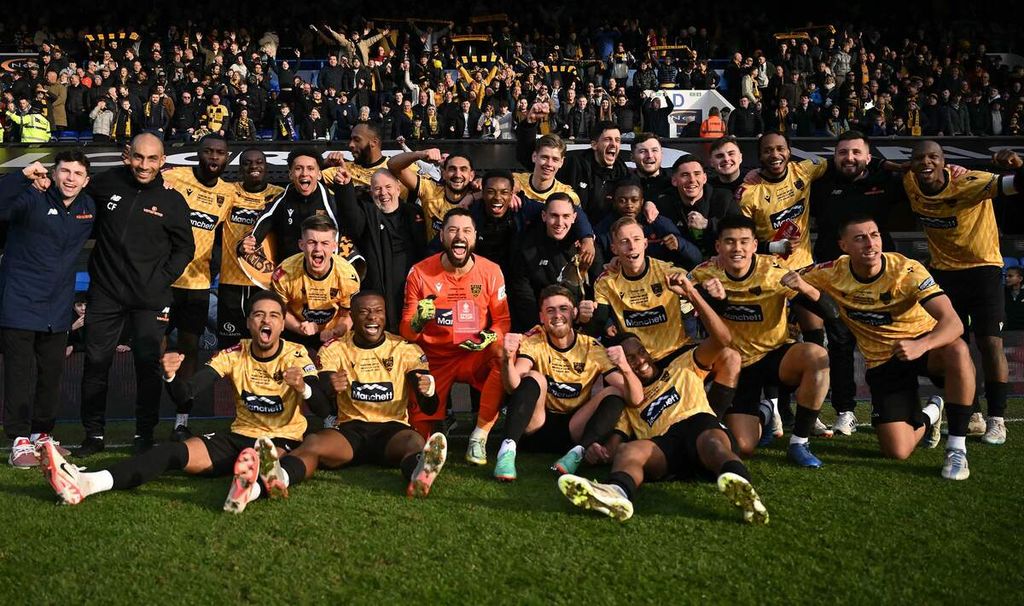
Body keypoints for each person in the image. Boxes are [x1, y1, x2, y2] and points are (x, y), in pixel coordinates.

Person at [38, 291, 330, 509]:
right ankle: (87, 483)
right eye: (258, 315)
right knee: (171, 452)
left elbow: (322, 407)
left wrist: (303, 387)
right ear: (249, 323)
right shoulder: (233, 354)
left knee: (270, 454)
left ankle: (257, 481)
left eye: (274, 316)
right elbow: (186, 393)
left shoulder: (297, 355)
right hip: (238, 437)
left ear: (281, 325)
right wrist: (170, 376)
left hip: (281, 439)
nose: (266, 320)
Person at [557, 276, 768, 525]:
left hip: (698, 425)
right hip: (665, 445)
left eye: (641, 353)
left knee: (712, 442)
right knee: (631, 450)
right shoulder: (631, 400)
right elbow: (617, 442)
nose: (640, 361)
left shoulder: (683, 364)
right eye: (630, 359)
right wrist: (600, 451)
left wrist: (691, 292)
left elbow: (723, 340)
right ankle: (616, 493)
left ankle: (742, 489)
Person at [801, 216, 978, 480]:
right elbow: (788, 279)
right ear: (844, 245)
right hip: (882, 360)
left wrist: (922, 345)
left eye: (875, 235)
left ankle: (956, 449)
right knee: (897, 450)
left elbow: (953, 323)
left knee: (958, 350)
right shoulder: (830, 272)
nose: (870, 243)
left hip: (923, 345)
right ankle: (931, 413)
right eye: (859, 238)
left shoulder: (907, 270)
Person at [237, 291, 449, 509]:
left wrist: (429, 391)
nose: (372, 317)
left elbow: (429, 407)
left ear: (385, 315)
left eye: (378, 311)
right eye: (364, 312)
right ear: (352, 318)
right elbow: (322, 400)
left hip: (392, 431)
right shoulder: (334, 348)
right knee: (313, 443)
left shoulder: (406, 349)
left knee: (414, 442)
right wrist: (330, 386)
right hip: (350, 432)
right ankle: (274, 480)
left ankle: (420, 473)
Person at [77, 133, 195, 456]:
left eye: (151, 159)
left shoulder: (173, 200)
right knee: (96, 362)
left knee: (147, 366)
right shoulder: (106, 183)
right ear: (128, 156)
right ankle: (94, 435)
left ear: (162, 161)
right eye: (139, 157)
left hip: (150, 299)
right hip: (105, 293)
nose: (144, 165)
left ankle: (144, 434)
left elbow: (186, 248)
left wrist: (160, 281)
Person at [899, 142, 1022, 446]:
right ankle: (974, 415)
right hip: (943, 273)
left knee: (990, 342)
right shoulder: (909, 181)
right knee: (954, 346)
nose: (926, 163)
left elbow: (1016, 184)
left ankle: (997, 419)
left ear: (944, 162)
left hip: (983, 269)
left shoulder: (970, 182)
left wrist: (1017, 165)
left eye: (933, 157)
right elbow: (881, 168)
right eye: (919, 158)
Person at [689, 215, 835, 467]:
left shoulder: (773, 272)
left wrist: (804, 286)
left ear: (755, 245)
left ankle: (799, 442)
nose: (737, 248)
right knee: (742, 446)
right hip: (734, 366)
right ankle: (766, 413)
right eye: (730, 242)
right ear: (718, 246)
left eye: (744, 242)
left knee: (817, 356)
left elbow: (831, 313)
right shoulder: (704, 274)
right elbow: (679, 306)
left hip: (775, 359)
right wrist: (709, 297)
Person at [807, 131, 909, 435]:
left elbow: (916, 175)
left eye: (855, 152)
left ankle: (885, 408)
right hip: (833, 278)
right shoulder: (822, 183)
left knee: (884, 345)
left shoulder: (886, 181)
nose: (848, 158)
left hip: (881, 277)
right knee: (839, 345)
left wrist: (884, 164)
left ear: (868, 156)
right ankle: (845, 410)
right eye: (842, 153)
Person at [590, 216, 741, 414]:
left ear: (645, 243)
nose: (631, 246)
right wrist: (587, 317)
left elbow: (706, 299)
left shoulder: (668, 272)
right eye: (624, 242)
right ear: (614, 249)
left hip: (676, 353)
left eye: (636, 239)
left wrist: (719, 297)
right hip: (640, 362)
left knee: (730, 357)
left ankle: (713, 419)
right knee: (605, 388)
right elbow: (598, 322)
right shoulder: (605, 282)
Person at [0, 154, 94, 467]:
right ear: (53, 174)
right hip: (20, 302)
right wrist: (21, 177)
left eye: (77, 173)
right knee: (20, 374)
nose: (70, 178)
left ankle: (42, 435)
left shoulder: (88, 209)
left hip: (58, 306)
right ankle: (18, 440)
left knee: (51, 374)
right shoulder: (30, 197)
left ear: (86, 180)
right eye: (64, 171)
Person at [493, 285, 640, 481]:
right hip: (536, 427)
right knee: (533, 377)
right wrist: (506, 359)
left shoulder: (592, 347)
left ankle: (577, 455)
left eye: (563, 309)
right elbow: (513, 386)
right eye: (550, 310)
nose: (557, 315)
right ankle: (506, 451)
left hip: (574, 432)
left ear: (574, 313)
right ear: (542, 317)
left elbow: (636, 398)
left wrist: (625, 367)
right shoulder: (534, 340)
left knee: (615, 391)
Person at [400, 208, 510, 463]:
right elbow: (406, 331)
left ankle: (479, 437)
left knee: (502, 352)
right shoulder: (419, 272)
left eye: (466, 231)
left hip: (473, 355)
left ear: (475, 238)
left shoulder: (491, 271)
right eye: (452, 230)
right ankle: (435, 427)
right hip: (434, 358)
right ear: (442, 237)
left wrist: (489, 337)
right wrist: (418, 321)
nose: (459, 236)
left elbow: (503, 321)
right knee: (421, 439)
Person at [161, 134, 234, 440]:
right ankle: (149, 414)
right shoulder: (174, 177)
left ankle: (181, 419)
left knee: (189, 349)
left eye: (219, 153)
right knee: (154, 348)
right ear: (198, 155)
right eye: (208, 152)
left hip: (198, 283)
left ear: (226, 158)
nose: (214, 157)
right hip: (162, 280)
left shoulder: (229, 193)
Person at [244, 148, 364, 277]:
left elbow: (355, 229)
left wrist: (345, 188)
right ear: (290, 174)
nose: (304, 173)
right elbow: (261, 224)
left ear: (319, 174)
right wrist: (247, 243)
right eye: (298, 168)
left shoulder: (331, 200)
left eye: (310, 168)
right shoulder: (281, 200)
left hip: (326, 274)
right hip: (291, 275)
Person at [335, 168, 428, 332]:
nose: (383, 193)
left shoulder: (413, 213)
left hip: (411, 293)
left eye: (388, 187)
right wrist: (345, 187)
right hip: (379, 296)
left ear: (398, 189)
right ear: (371, 192)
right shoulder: (367, 213)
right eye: (377, 188)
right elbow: (351, 219)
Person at [517, 103, 628, 223]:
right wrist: (530, 123)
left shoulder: (624, 174)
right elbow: (532, 161)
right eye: (607, 139)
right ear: (594, 144)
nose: (613, 144)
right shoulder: (575, 164)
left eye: (617, 140)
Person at [218, 149, 284, 348]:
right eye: (247, 163)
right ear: (239, 169)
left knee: (266, 343)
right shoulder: (228, 191)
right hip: (231, 281)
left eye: (259, 162)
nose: (253, 166)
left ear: (266, 166)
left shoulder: (279, 195)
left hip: (266, 281)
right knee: (229, 346)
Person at [271, 215, 360, 350]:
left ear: (334, 246)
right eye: (312, 242)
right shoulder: (285, 273)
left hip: (335, 336)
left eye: (325, 243)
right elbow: (278, 311)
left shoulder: (348, 276)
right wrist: (298, 327)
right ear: (301, 244)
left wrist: (336, 331)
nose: (318, 249)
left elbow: (348, 314)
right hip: (295, 333)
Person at [595, 177, 698, 268]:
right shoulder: (603, 229)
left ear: (642, 202)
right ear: (614, 202)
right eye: (622, 201)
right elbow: (597, 267)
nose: (629, 205)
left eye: (634, 200)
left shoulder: (658, 223)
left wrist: (680, 245)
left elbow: (696, 259)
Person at [654, 157, 740, 259]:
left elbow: (740, 230)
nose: (692, 180)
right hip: (681, 268)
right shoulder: (665, 204)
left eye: (697, 174)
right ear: (674, 181)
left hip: (721, 264)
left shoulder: (724, 198)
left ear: (704, 178)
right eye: (685, 175)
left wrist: (708, 224)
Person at [388, 148, 475, 241]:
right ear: (444, 173)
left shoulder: (479, 198)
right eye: (452, 169)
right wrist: (420, 154)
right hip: (433, 254)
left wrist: (475, 195)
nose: (457, 174)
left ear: (471, 176)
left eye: (463, 169)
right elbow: (393, 165)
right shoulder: (430, 190)